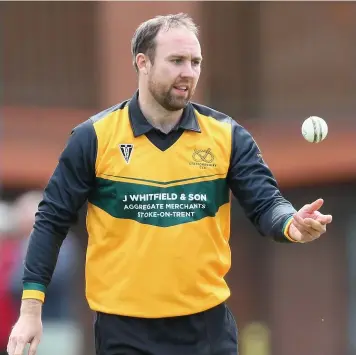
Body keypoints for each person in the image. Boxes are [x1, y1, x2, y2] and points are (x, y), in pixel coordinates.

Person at [7, 13, 332, 355]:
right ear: (142, 63)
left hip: (206, 330)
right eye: (176, 61)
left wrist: (289, 223)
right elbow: (51, 220)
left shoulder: (227, 136)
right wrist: (31, 311)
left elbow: (266, 202)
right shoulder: (94, 138)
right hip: (124, 331)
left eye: (195, 62)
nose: (188, 72)